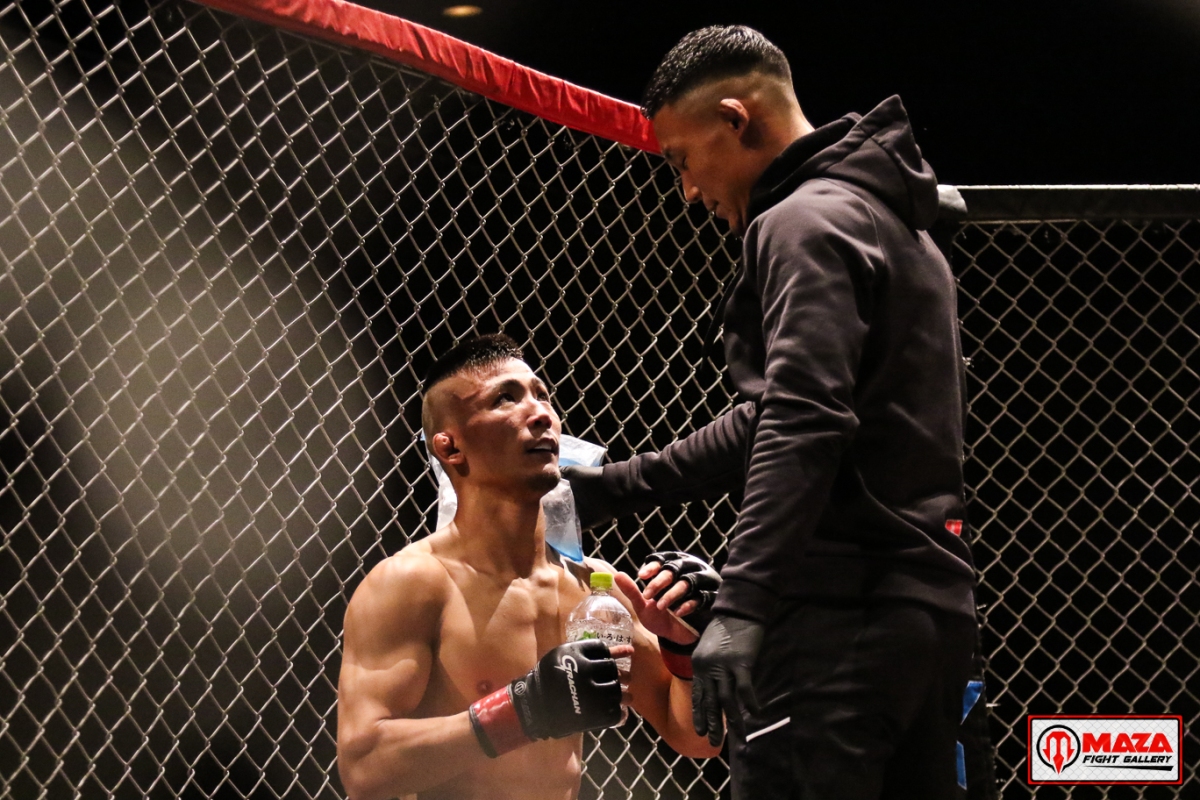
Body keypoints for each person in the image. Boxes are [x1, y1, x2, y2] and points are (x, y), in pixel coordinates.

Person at [563, 25, 995, 800]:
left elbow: (803, 418)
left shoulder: (798, 222)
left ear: (735, 118)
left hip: (837, 626)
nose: (688, 191)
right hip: (929, 619)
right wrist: (613, 487)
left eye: (681, 160)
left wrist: (741, 607)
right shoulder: (897, 225)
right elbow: (776, 414)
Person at [335, 334, 720, 800]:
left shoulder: (594, 589)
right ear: (451, 448)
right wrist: (522, 711)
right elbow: (364, 767)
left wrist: (687, 650)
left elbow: (695, 738)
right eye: (505, 398)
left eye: (542, 395)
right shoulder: (412, 583)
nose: (540, 414)